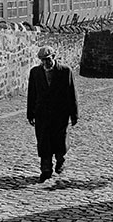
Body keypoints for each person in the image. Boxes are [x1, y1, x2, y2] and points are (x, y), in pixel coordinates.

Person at [27, 46, 79, 183]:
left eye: (48, 59)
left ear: (54, 57)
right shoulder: (35, 73)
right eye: (43, 60)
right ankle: (45, 169)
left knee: (60, 140)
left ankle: (60, 159)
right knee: (44, 142)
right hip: (42, 114)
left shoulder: (65, 71)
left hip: (60, 114)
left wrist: (74, 114)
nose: (46, 63)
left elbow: (71, 93)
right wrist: (30, 113)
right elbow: (32, 94)